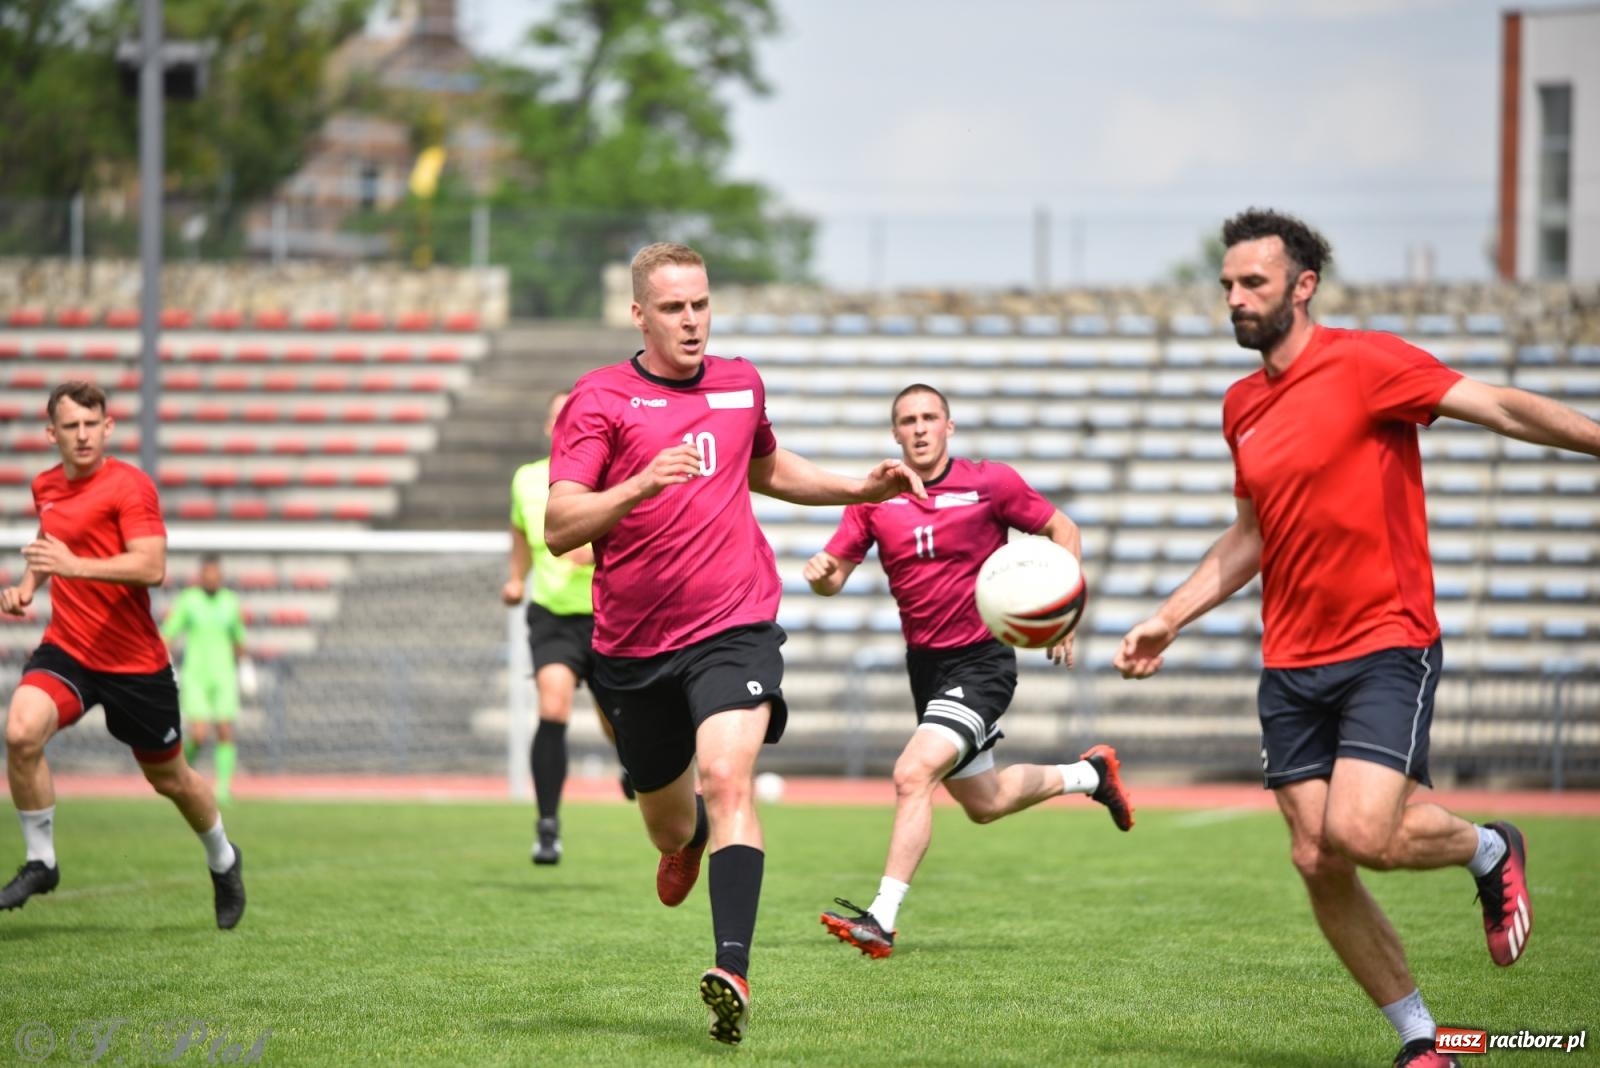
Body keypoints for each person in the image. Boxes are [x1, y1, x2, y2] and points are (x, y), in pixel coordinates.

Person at [1114, 208, 1599, 1068]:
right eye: (1227, 284)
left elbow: (1497, 406)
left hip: (1385, 641)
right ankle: (1421, 1042)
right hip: (1288, 662)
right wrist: (1170, 615)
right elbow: (1251, 536)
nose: (1235, 298)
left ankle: (1490, 847)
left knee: (1363, 833)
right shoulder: (1241, 405)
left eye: (1253, 283)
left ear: (1303, 286)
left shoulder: (1368, 363)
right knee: (1316, 856)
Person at [544, 241, 925, 1046]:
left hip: (734, 622)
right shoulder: (599, 399)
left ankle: (733, 969)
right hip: (633, 647)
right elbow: (558, 526)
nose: (692, 321)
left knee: (728, 776)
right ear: (639, 313)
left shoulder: (740, 382)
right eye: (675, 308)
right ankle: (685, 842)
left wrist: (860, 485)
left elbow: (769, 466)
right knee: (667, 820)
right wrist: (643, 480)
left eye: (702, 305)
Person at [805, 383, 1134, 959]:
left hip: (981, 663)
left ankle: (881, 918)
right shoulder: (873, 499)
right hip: (927, 670)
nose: (921, 428)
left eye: (930, 417)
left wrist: (1066, 607)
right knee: (984, 803)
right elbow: (835, 578)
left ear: (949, 426)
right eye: (908, 420)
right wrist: (821, 574)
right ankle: (1091, 775)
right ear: (896, 434)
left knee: (913, 774)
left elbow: (1065, 530)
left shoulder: (990, 483)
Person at [0, 381, 245, 929]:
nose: (82, 436)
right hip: (68, 649)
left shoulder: (130, 487)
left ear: (108, 428)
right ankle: (42, 861)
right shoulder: (45, 486)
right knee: (20, 732)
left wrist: (72, 566)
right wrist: (26, 586)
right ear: (52, 434)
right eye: (71, 427)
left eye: (92, 425)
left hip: (135, 665)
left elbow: (150, 567)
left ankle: (224, 860)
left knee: (170, 779)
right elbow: (52, 540)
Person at [501, 389, 632, 867]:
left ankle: (632, 766)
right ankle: (547, 826)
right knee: (552, 706)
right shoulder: (527, 481)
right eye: (556, 418)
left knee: (618, 717)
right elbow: (520, 530)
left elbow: (638, 531)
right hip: (553, 614)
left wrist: (594, 549)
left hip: (609, 613)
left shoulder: (608, 477)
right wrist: (517, 578)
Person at [162, 552, 248, 804]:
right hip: (196, 675)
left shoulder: (230, 602)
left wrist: (246, 667)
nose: (212, 580)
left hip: (224, 675)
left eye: (216, 576)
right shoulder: (189, 601)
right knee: (198, 733)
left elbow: (238, 639)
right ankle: (179, 775)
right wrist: (166, 662)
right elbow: (169, 634)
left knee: (224, 730)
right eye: (208, 575)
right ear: (201, 577)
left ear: (220, 577)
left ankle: (223, 789)